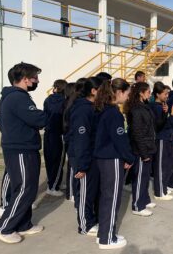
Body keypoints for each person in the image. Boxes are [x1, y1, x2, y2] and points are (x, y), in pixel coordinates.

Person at [0, 62, 47, 244]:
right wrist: (53, 112)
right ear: (24, 79)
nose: (37, 81)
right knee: (24, 189)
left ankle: (24, 224)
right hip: (20, 149)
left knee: (28, 189)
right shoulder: (18, 97)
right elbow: (38, 119)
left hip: (23, 146)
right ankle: (3, 227)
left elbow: (0, 121)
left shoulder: (12, 97)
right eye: (34, 78)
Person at [93, 78, 135, 249]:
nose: (128, 96)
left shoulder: (101, 109)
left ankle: (103, 233)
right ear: (118, 92)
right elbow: (120, 140)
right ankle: (107, 238)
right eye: (127, 93)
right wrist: (129, 158)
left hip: (103, 159)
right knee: (112, 198)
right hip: (112, 159)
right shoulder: (113, 113)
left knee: (106, 196)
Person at [64, 77, 102, 235]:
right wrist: (81, 165)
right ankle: (85, 225)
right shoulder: (83, 109)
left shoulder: (92, 107)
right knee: (85, 193)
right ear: (93, 91)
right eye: (103, 90)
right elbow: (81, 140)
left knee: (91, 192)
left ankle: (91, 219)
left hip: (91, 156)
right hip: (83, 158)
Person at [124, 82, 157, 217]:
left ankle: (145, 199)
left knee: (145, 177)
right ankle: (138, 205)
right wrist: (144, 153)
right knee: (140, 178)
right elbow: (137, 133)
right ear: (141, 93)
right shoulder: (136, 109)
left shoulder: (144, 106)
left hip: (148, 147)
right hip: (141, 150)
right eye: (148, 92)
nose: (150, 94)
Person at [150, 82, 173, 201]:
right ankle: (160, 192)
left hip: (167, 138)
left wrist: (167, 112)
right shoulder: (155, 107)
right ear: (157, 94)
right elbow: (162, 125)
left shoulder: (162, 105)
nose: (167, 96)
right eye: (165, 94)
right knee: (161, 166)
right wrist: (171, 114)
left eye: (168, 93)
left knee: (166, 165)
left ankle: (163, 189)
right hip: (161, 138)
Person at [44, 79, 68, 196]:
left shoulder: (48, 99)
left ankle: (53, 183)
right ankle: (53, 187)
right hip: (58, 133)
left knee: (50, 159)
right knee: (58, 161)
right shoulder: (64, 101)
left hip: (48, 132)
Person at [63, 82, 76, 201]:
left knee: (73, 165)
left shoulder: (69, 104)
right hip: (71, 138)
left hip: (70, 137)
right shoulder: (71, 105)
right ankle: (71, 193)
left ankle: (72, 191)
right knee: (72, 166)